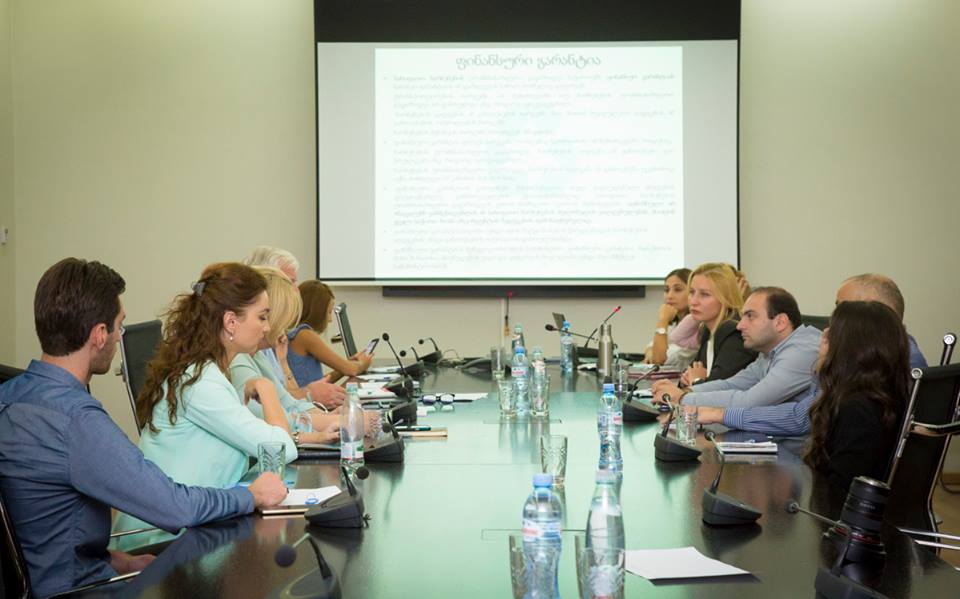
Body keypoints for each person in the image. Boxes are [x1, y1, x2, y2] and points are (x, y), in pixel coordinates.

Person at [0, 258, 287, 598]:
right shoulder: (76, 421)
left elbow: (46, 530)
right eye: (119, 326)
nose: (119, 336)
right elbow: (173, 506)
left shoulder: (11, 395)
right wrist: (251, 495)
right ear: (99, 334)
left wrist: (119, 561)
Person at [699, 273, 928, 435]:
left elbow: (802, 418)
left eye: (841, 307)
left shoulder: (886, 361)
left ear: (870, 312)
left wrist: (718, 414)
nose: (832, 319)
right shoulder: (881, 353)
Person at [135, 263, 298, 490]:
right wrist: (266, 389)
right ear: (230, 322)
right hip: (176, 513)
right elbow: (282, 449)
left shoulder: (205, 372)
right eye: (262, 317)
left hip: (199, 504)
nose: (268, 327)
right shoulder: (201, 383)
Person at [652, 287, 821, 409]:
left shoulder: (801, 352)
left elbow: (750, 401)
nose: (740, 326)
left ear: (780, 322)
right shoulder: (770, 352)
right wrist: (686, 391)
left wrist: (683, 398)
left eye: (750, 316)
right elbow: (733, 384)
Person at [803, 301, 911, 490]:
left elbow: (838, 490)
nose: (823, 337)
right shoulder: (887, 397)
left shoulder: (857, 410)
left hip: (839, 505)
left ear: (847, 349)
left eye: (831, 335)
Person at [229, 266, 341, 443]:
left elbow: (290, 403)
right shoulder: (237, 360)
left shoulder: (256, 355)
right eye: (262, 318)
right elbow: (272, 426)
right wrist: (336, 423)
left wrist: (330, 418)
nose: (285, 331)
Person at [676, 262, 756, 385]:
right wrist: (694, 379)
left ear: (726, 297)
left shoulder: (735, 334)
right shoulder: (707, 331)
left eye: (705, 294)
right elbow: (685, 380)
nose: (694, 301)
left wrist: (696, 380)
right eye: (691, 292)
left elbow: (718, 390)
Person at [287, 280, 374, 386]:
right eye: (329, 312)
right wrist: (363, 364)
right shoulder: (305, 335)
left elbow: (318, 383)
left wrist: (343, 367)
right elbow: (351, 370)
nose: (330, 319)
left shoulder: (297, 332)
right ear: (317, 311)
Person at [643, 268, 698, 370]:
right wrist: (650, 351)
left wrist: (663, 320)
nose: (669, 296)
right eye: (666, 290)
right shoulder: (674, 325)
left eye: (677, 290)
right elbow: (650, 347)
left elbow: (659, 359)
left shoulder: (694, 324)